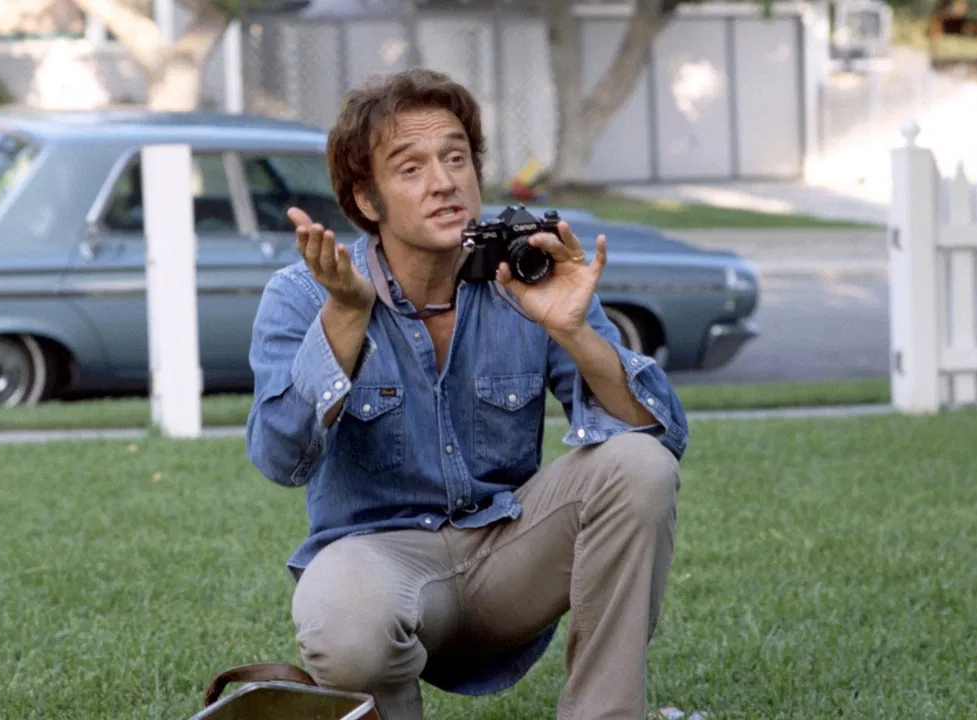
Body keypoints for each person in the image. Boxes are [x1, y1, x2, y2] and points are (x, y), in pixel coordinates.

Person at [245, 67, 689, 720]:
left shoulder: (524, 274)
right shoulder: (304, 294)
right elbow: (280, 458)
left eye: (456, 158)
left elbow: (662, 434)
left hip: (509, 554)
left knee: (640, 465)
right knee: (342, 618)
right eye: (411, 167)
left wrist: (572, 331)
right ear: (367, 200)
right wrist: (344, 317)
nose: (444, 181)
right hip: (381, 564)